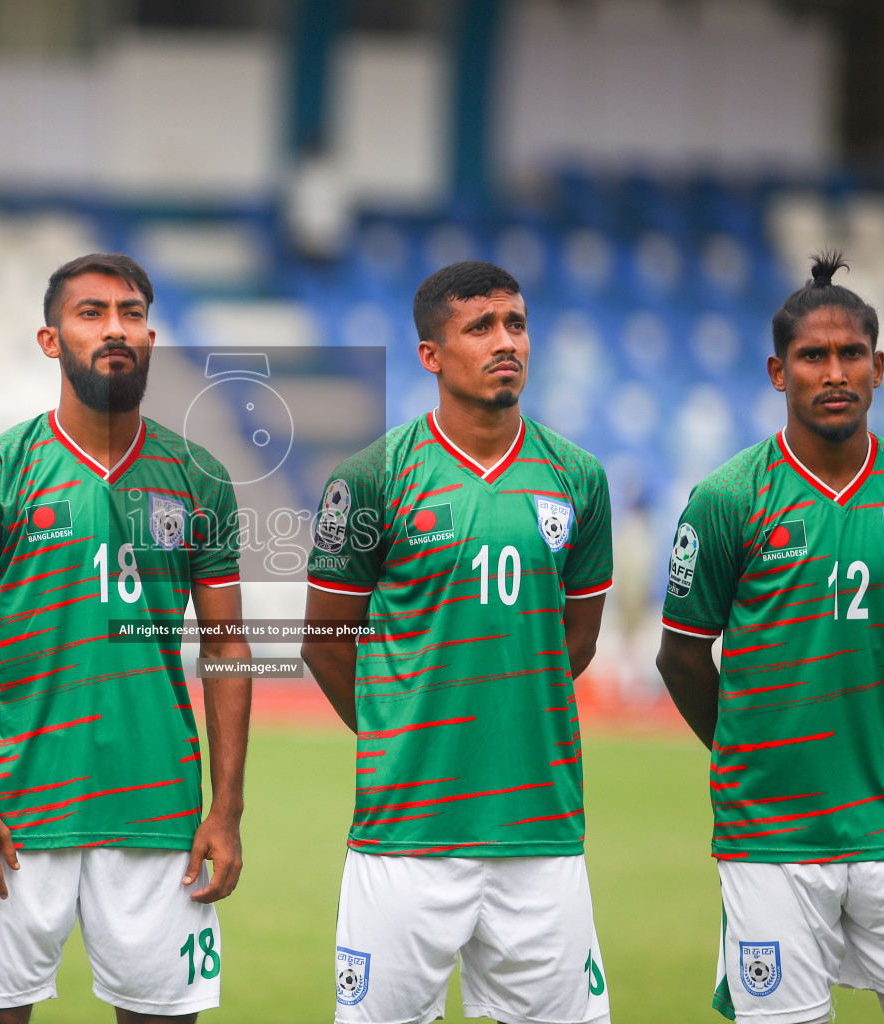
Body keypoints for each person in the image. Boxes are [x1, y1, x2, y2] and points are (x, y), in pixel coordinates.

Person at [0, 253, 251, 1023]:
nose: (116, 329)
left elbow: (227, 646)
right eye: (92, 312)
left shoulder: (198, 475)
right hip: (17, 810)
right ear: (50, 339)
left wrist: (227, 810)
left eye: (132, 314)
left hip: (159, 810)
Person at [656, 252, 884, 1024]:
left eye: (851, 355)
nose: (834, 372)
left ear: (878, 367)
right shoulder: (728, 499)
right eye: (813, 356)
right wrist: (750, 743)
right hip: (770, 836)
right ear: (778, 372)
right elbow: (680, 657)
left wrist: (877, 720)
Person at [300, 260, 614, 1024]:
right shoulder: (370, 478)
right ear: (431, 355)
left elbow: (574, 640)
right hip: (405, 833)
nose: (506, 342)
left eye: (516, 323)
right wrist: (401, 728)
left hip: (541, 831)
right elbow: (325, 641)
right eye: (480, 327)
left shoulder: (579, 478)